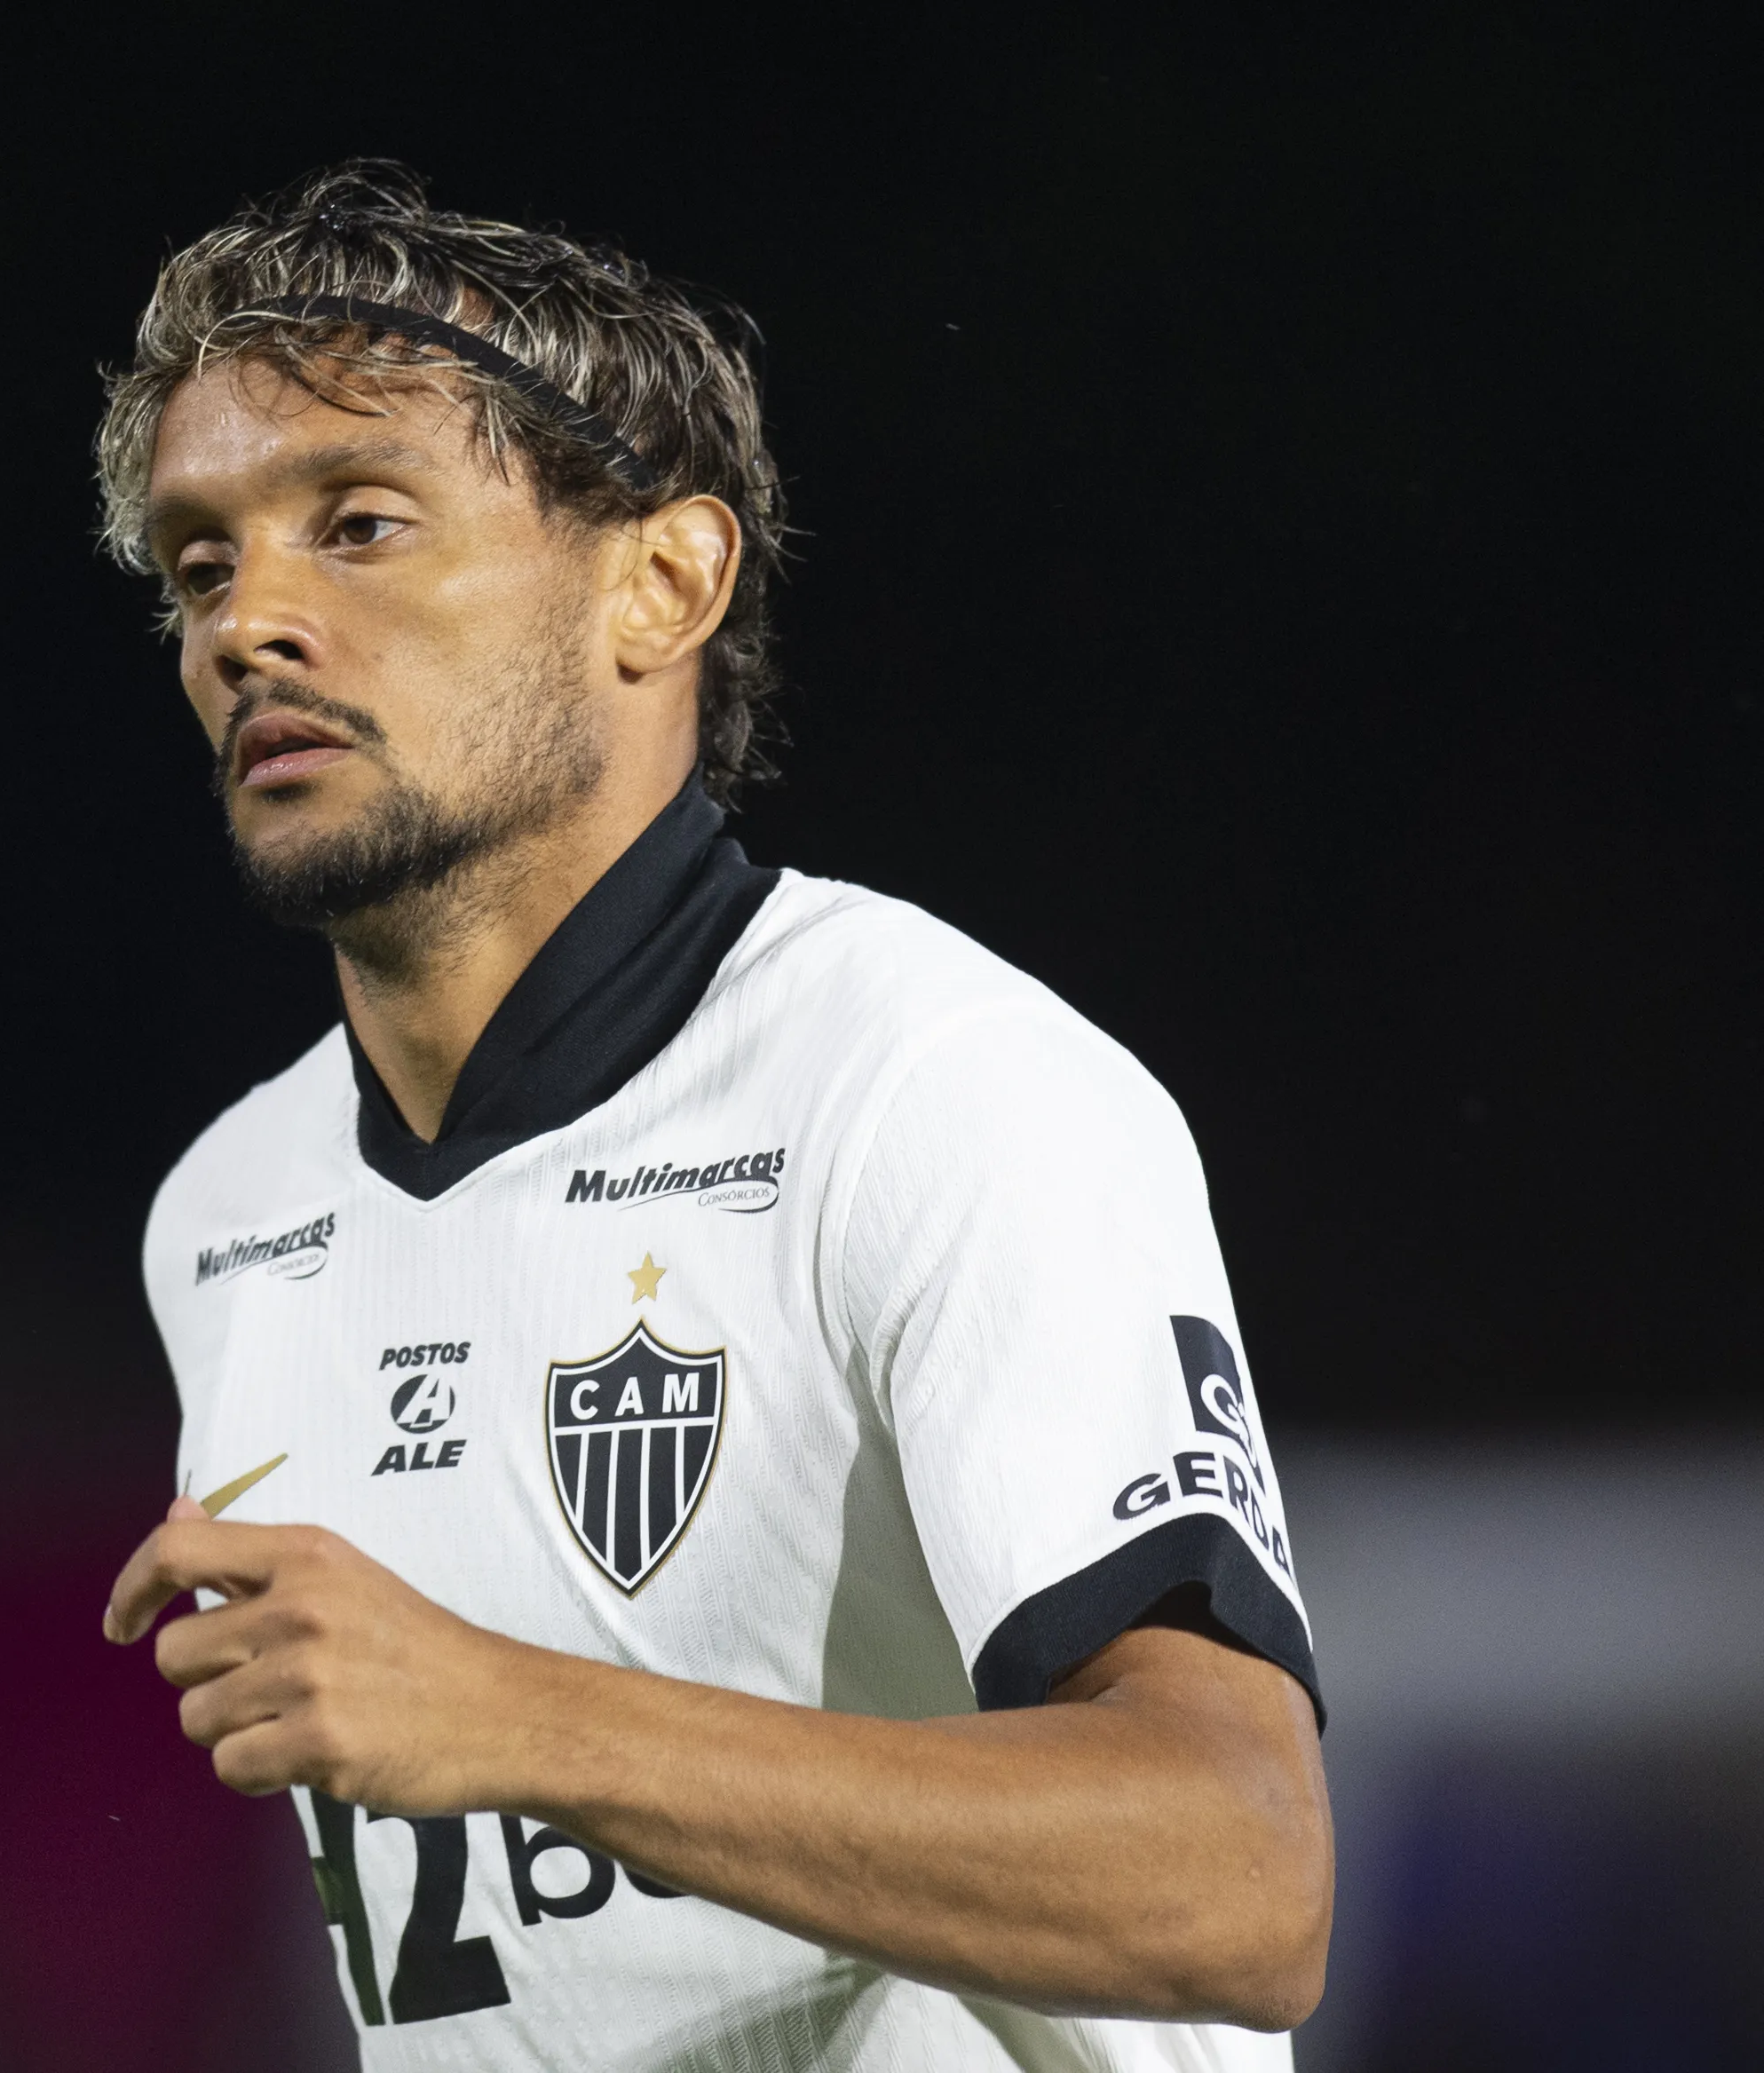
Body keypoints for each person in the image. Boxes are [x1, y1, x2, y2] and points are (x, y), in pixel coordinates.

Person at [96, 162, 1333, 2069]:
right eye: (197, 568)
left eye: (354, 523)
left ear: (658, 584)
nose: (248, 619)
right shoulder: (228, 1215)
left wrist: (511, 1716)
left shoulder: (930, 1089)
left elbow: (1235, 1879)